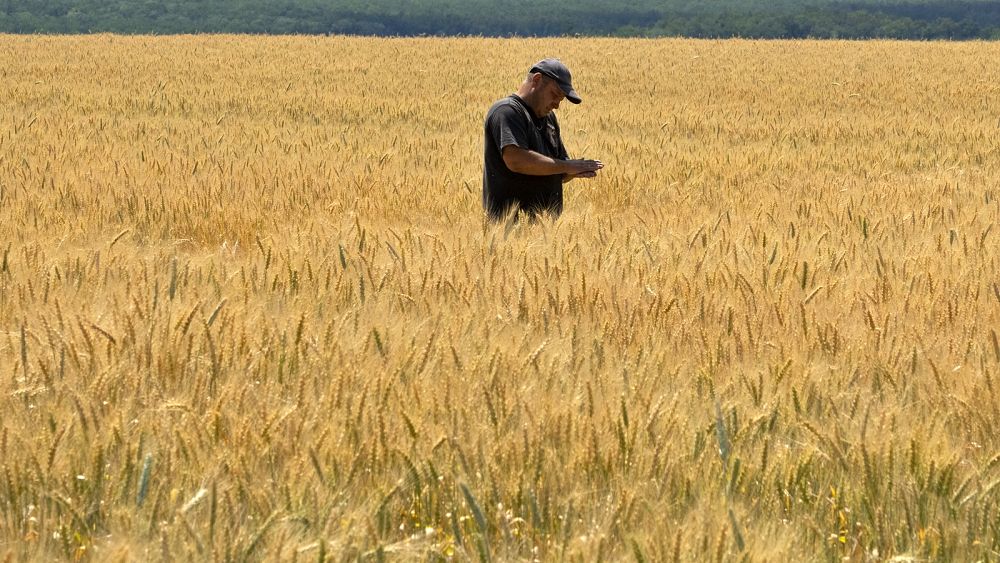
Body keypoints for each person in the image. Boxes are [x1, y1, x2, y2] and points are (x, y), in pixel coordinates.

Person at [482, 58, 604, 222]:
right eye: (555, 95)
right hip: (510, 229)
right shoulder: (508, 111)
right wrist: (567, 166)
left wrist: (574, 170)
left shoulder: (548, 119)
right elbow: (516, 159)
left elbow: (557, 169)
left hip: (543, 231)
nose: (556, 105)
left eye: (560, 100)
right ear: (537, 80)